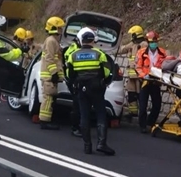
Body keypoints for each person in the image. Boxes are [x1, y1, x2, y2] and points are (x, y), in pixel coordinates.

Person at [66, 27, 115, 155]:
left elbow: (69, 74)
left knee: (84, 116)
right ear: (93, 41)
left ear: (81, 41)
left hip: (81, 89)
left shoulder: (73, 55)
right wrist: (105, 81)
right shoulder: (99, 54)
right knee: (100, 114)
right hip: (96, 88)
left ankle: (87, 146)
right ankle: (101, 144)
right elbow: (106, 72)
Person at [136, 31, 167, 133]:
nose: (154, 43)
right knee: (143, 105)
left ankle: (151, 121)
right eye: (151, 42)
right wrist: (143, 75)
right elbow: (138, 67)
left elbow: (166, 66)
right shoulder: (141, 52)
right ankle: (142, 125)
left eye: (155, 41)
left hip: (156, 81)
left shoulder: (162, 52)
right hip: (145, 81)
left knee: (157, 104)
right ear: (148, 42)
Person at [39, 16, 66, 130]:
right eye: (59, 28)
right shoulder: (51, 41)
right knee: (48, 98)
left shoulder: (53, 41)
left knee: (50, 99)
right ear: (54, 28)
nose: (61, 30)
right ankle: (44, 122)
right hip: (49, 75)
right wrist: (54, 73)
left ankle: (46, 120)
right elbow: (50, 59)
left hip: (50, 75)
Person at [119, 25, 147, 116]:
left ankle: (142, 114)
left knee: (140, 95)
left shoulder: (144, 45)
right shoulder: (132, 44)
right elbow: (122, 49)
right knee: (131, 95)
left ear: (136, 35)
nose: (131, 37)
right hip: (132, 76)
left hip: (140, 76)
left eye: (132, 35)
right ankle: (133, 112)